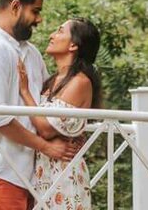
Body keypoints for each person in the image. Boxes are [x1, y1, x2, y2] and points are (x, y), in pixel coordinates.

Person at [0, 0, 81, 210]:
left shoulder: (30, 52)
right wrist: (47, 147)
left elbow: (46, 103)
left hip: (32, 177)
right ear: (15, 6)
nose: (39, 19)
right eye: (36, 11)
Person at [17, 18, 102, 210]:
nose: (52, 35)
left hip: (64, 174)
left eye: (60, 31)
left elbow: (46, 129)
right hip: (43, 173)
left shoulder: (80, 82)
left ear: (73, 45)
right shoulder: (53, 80)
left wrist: (25, 92)